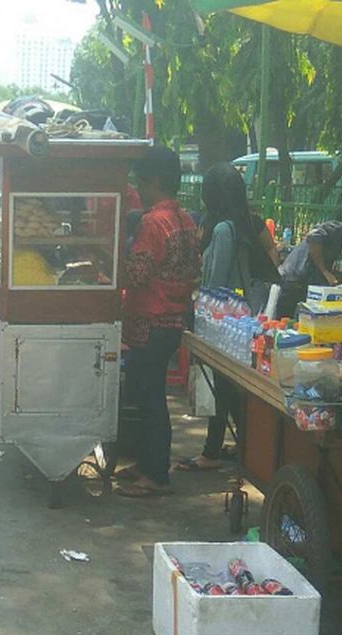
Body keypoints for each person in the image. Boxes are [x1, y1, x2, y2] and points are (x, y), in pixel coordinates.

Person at [116, 146, 201, 498]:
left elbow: (136, 275)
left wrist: (112, 260)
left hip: (150, 322)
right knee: (150, 395)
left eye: (141, 183)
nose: (140, 190)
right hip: (173, 320)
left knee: (150, 399)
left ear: (153, 182)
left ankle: (156, 476)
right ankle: (147, 462)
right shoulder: (185, 220)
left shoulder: (153, 222)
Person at [177, 162, 262, 473]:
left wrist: (199, 310)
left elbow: (215, 282)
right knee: (229, 388)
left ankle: (213, 453)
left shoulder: (223, 229)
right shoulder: (243, 222)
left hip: (223, 322)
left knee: (222, 387)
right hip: (240, 318)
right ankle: (244, 447)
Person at [277, 201, 342, 317]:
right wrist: (325, 272)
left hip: (294, 282)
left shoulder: (338, 236)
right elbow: (314, 237)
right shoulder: (338, 227)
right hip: (293, 283)